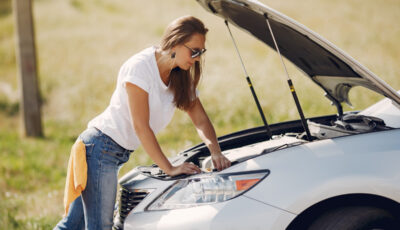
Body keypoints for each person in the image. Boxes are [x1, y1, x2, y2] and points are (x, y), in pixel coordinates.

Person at [54, 15, 231, 230]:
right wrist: (170, 168)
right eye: (194, 51)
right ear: (175, 42)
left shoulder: (179, 75)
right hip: (99, 149)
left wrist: (215, 151)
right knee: (100, 226)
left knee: (72, 225)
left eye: (201, 53)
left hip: (110, 152)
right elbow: (141, 126)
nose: (196, 58)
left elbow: (200, 118)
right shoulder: (140, 68)